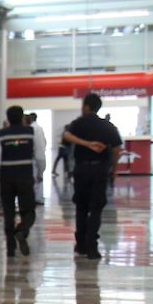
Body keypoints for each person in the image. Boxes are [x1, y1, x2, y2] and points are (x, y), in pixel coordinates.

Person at [63, 93, 123, 260]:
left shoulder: (78, 123)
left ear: (86, 107)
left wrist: (84, 144)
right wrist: (113, 168)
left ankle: (80, 244)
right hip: (99, 172)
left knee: (81, 207)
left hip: (81, 170)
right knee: (96, 209)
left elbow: (66, 136)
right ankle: (92, 246)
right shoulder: (107, 126)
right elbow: (117, 149)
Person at [0, 106, 45, 258]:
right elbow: (40, 156)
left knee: (8, 213)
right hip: (25, 176)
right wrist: (40, 172)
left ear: (7, 119)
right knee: (29, 211)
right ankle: (21, 230)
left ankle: (10, 249)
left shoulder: (0, 134)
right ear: (22, 118)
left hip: (6, 178)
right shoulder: (32, 133)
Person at [26, 112, 48, 206]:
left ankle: (36, 198)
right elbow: (44, 143)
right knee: (38, 179)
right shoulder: (37, 128)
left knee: (36, 179)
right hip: (37, 158)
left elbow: (38, 146)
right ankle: (37, 197)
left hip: (35, 158)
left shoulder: (34, 129)